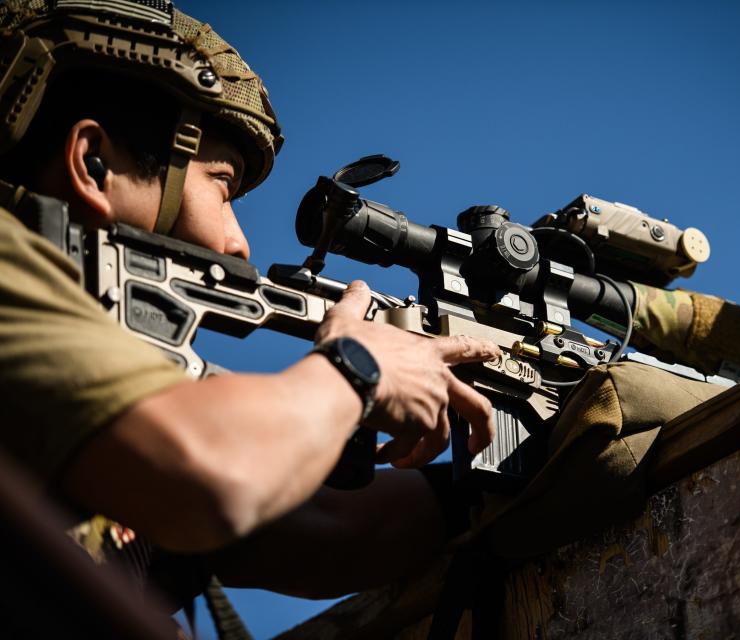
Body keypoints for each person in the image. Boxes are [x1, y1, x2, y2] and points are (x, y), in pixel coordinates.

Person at [0, 0, 499, 619]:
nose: (239, 243)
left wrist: (511, 475)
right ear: (93, 162)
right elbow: (211, 471)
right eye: (223, 186)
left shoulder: (116, 390)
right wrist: (358, 371)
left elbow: (333, 527)